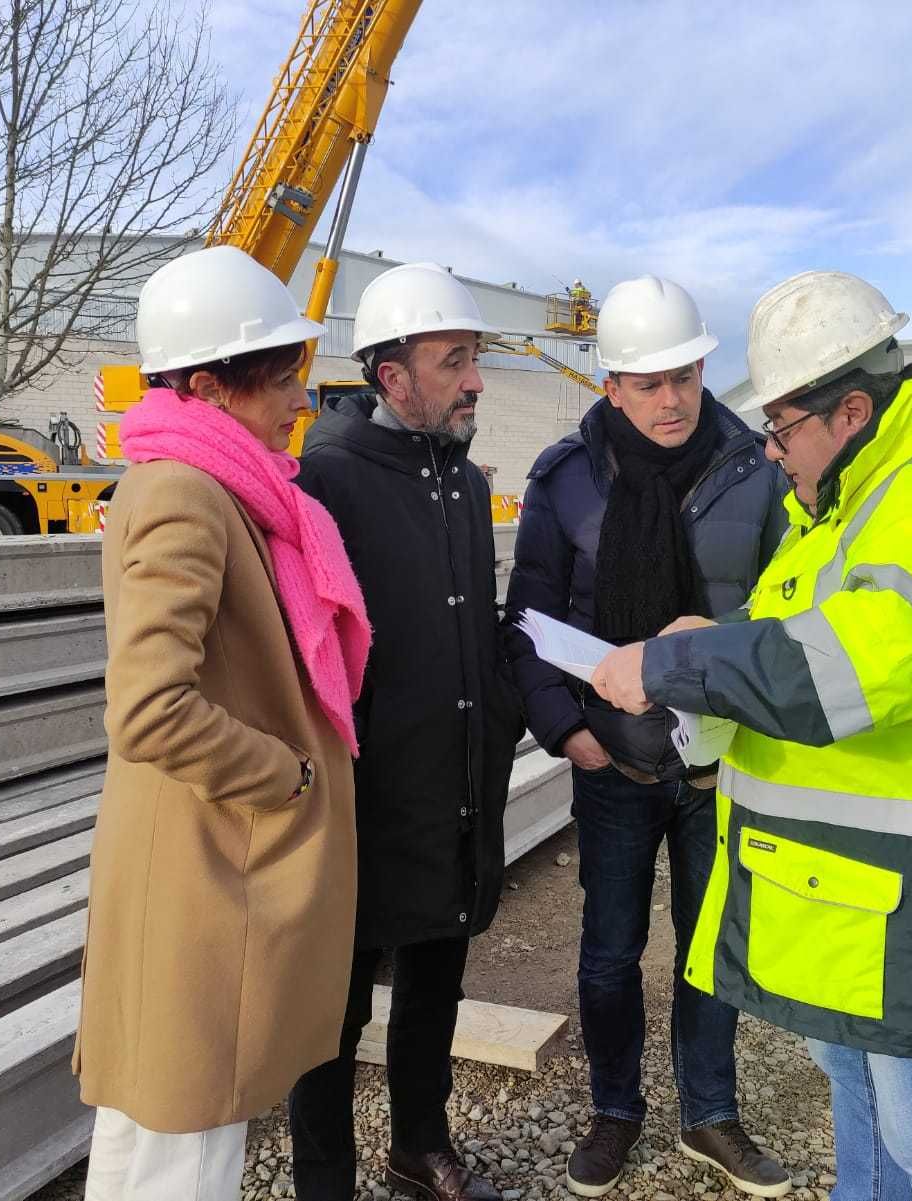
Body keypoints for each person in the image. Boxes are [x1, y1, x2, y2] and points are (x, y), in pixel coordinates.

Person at [590, 271, 912, 1201]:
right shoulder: (838, 513)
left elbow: (853, 669)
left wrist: (678, 662)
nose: (770, 450)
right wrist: (714, 646)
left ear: (851, 411)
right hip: (861, 906)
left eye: (782, 427)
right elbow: (785, 646)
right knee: (867, 1118)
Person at [75, 244, 371, 1201]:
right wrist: (287, 775)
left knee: (146, 1122)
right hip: (209, 866)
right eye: (278, 376)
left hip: (192, 854)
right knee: (192, 1135)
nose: (300, 399)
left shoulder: (209, 483)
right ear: (207, 384)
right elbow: (149, 707)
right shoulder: (187, 494)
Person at [505, 275, 790, 1199]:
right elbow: (530, 616)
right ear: (612, 386)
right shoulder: (567, 479)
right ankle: (615, 1110)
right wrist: (564, 729)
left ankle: (710, 1113)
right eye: (648, 383)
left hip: (722, 762)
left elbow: (793, 606)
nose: (672, 399)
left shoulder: (756, 468)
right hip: (612, 760)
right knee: (609, 951)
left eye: (686, 376)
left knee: (712, 947)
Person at [288, 262, 525, 1201]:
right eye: (453, 360)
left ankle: (420, 1147)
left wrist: (499, 720)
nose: (475, 381)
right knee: (331, 1011)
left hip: (454, 785)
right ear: (392, 376)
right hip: (363, 800)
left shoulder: (460, 481)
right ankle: (325, 1184)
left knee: (436, 980)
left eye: (474, 359)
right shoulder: (327, 479)